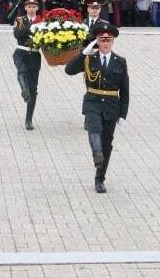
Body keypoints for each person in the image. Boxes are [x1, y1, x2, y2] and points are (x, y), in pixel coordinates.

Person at [65, 22, 129, 194]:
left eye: (108, 40)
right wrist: (82, 53)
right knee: (94, 127)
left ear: (113, 41)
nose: (105, 43)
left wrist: (123, 114)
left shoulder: (120, 62)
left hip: (111, 105)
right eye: (101, 40)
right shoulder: (89, 58)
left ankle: (99, 178)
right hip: (92, 101)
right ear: (97, 41)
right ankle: (96, 153)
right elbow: (68, 70)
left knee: (107, 144)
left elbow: (125, 89)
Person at [13, 0, 42, 130]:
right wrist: (34, 27)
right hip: (21, 52)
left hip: (34, 55)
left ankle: (28, 119)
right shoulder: (20, 20)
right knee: (21, 71)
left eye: (33, 6)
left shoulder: (42, 21)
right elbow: (17, 34)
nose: (31, 9)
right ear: (25, 8)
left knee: (33, 90)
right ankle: (23, 90)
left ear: (37, 7)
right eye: (29, 7)